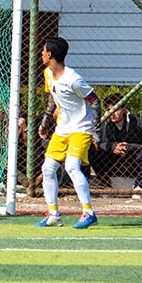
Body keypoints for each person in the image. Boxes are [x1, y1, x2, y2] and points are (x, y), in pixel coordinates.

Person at [36, 36, 98, 229]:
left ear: (50, 54)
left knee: (71, 166)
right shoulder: (48, 73)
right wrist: (46, 122)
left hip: (81, 128)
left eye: (43, 50)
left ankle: (88, 212)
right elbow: (53, 97)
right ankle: (54, 215)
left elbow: (95, 101)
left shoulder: (74, 80)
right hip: (62, 128)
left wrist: (95, 131)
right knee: (48, 168)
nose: (41, 53)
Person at [92, 100, 142, 190]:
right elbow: (99, 144)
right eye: (109, 110)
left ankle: (138, 187)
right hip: (111, 164)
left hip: (132, 163)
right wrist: (113, 147)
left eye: (115, 110)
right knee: (91, 150)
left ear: (124, 109)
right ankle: (106, 186)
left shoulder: (137, 122)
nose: (112, 113)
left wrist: (129, 147)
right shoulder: (103, 124)